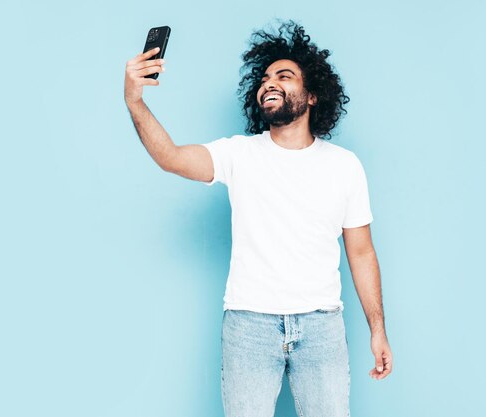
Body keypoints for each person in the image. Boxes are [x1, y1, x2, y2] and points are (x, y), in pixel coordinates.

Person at [124, 19, 393, 417]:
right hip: (249, 325)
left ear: (313, 95)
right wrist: (135, 102)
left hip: (322, 327)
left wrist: (377, 328)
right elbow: (172, 158)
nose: (269, 83)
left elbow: (362, 252)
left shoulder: (344, 166)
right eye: (265, 78)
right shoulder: (240, 154)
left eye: (284, 76)